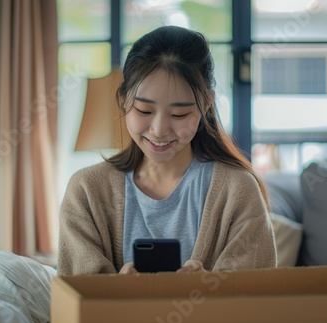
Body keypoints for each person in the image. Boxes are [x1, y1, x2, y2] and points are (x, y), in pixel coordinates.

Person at [58, 25, 277, 276]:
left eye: (179, 114)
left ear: (206, 104)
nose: (159, 130)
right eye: (144, 111)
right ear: (123, 100)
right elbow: (78, 303)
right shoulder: (86, 190)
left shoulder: (238, 190)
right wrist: (117, 292)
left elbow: (253, 300)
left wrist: (207, 291)